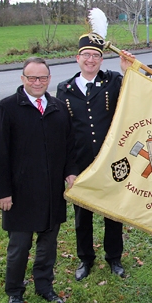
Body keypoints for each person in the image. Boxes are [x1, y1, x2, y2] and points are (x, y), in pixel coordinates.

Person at [0, 57, 78, 303]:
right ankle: (15, 291)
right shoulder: (5, 109)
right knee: (19, 247)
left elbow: (69, 147)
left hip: (51, 194)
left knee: (48, 246)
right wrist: (2, 192)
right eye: (32, 78)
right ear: (23, 79)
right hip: (20, 194)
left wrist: (71, 173)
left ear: (49, 79)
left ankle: (44, 285)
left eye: (43, 78)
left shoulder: (58, 108)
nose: (38, 82)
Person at [56, 34, 134, 281]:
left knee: (113, 214)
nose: (91, 60)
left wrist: (128, 71)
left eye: (96, 55)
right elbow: (63, 132)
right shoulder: (64, 89)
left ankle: (114, 258)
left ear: (101, 59)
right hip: (81, 163)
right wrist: (69, 169)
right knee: (83, 216)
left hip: (111, 161)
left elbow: (133, 96)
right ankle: (85, 259)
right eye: (86, 55)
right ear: (77, 58)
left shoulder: (113, 81)